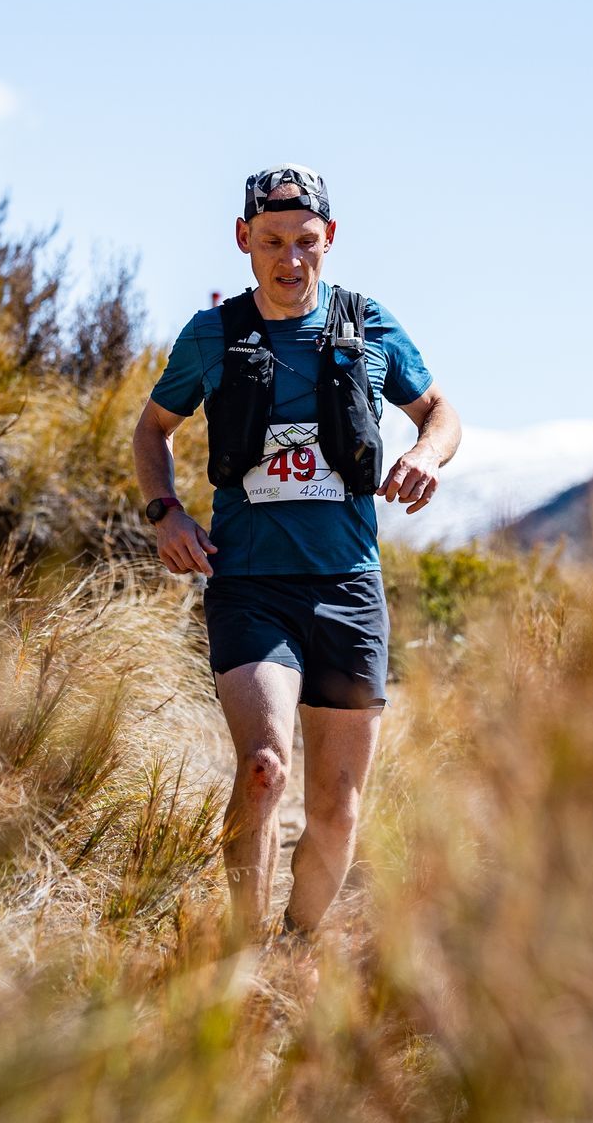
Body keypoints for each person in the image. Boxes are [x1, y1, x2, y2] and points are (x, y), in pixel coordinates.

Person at [131, 164, 462, 943]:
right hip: (251, 587)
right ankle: (242, 956)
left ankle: (294, 951)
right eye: (272, 241)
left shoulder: (369, 324)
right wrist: (165, 511)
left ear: (329, 241)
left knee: (338, 810)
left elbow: (441, 411)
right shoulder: (211, 335)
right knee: (263, 768)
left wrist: (427, 454)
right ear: (243, 239)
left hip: (347, 591)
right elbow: (153, 430)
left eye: (306, 243)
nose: (290, 260)